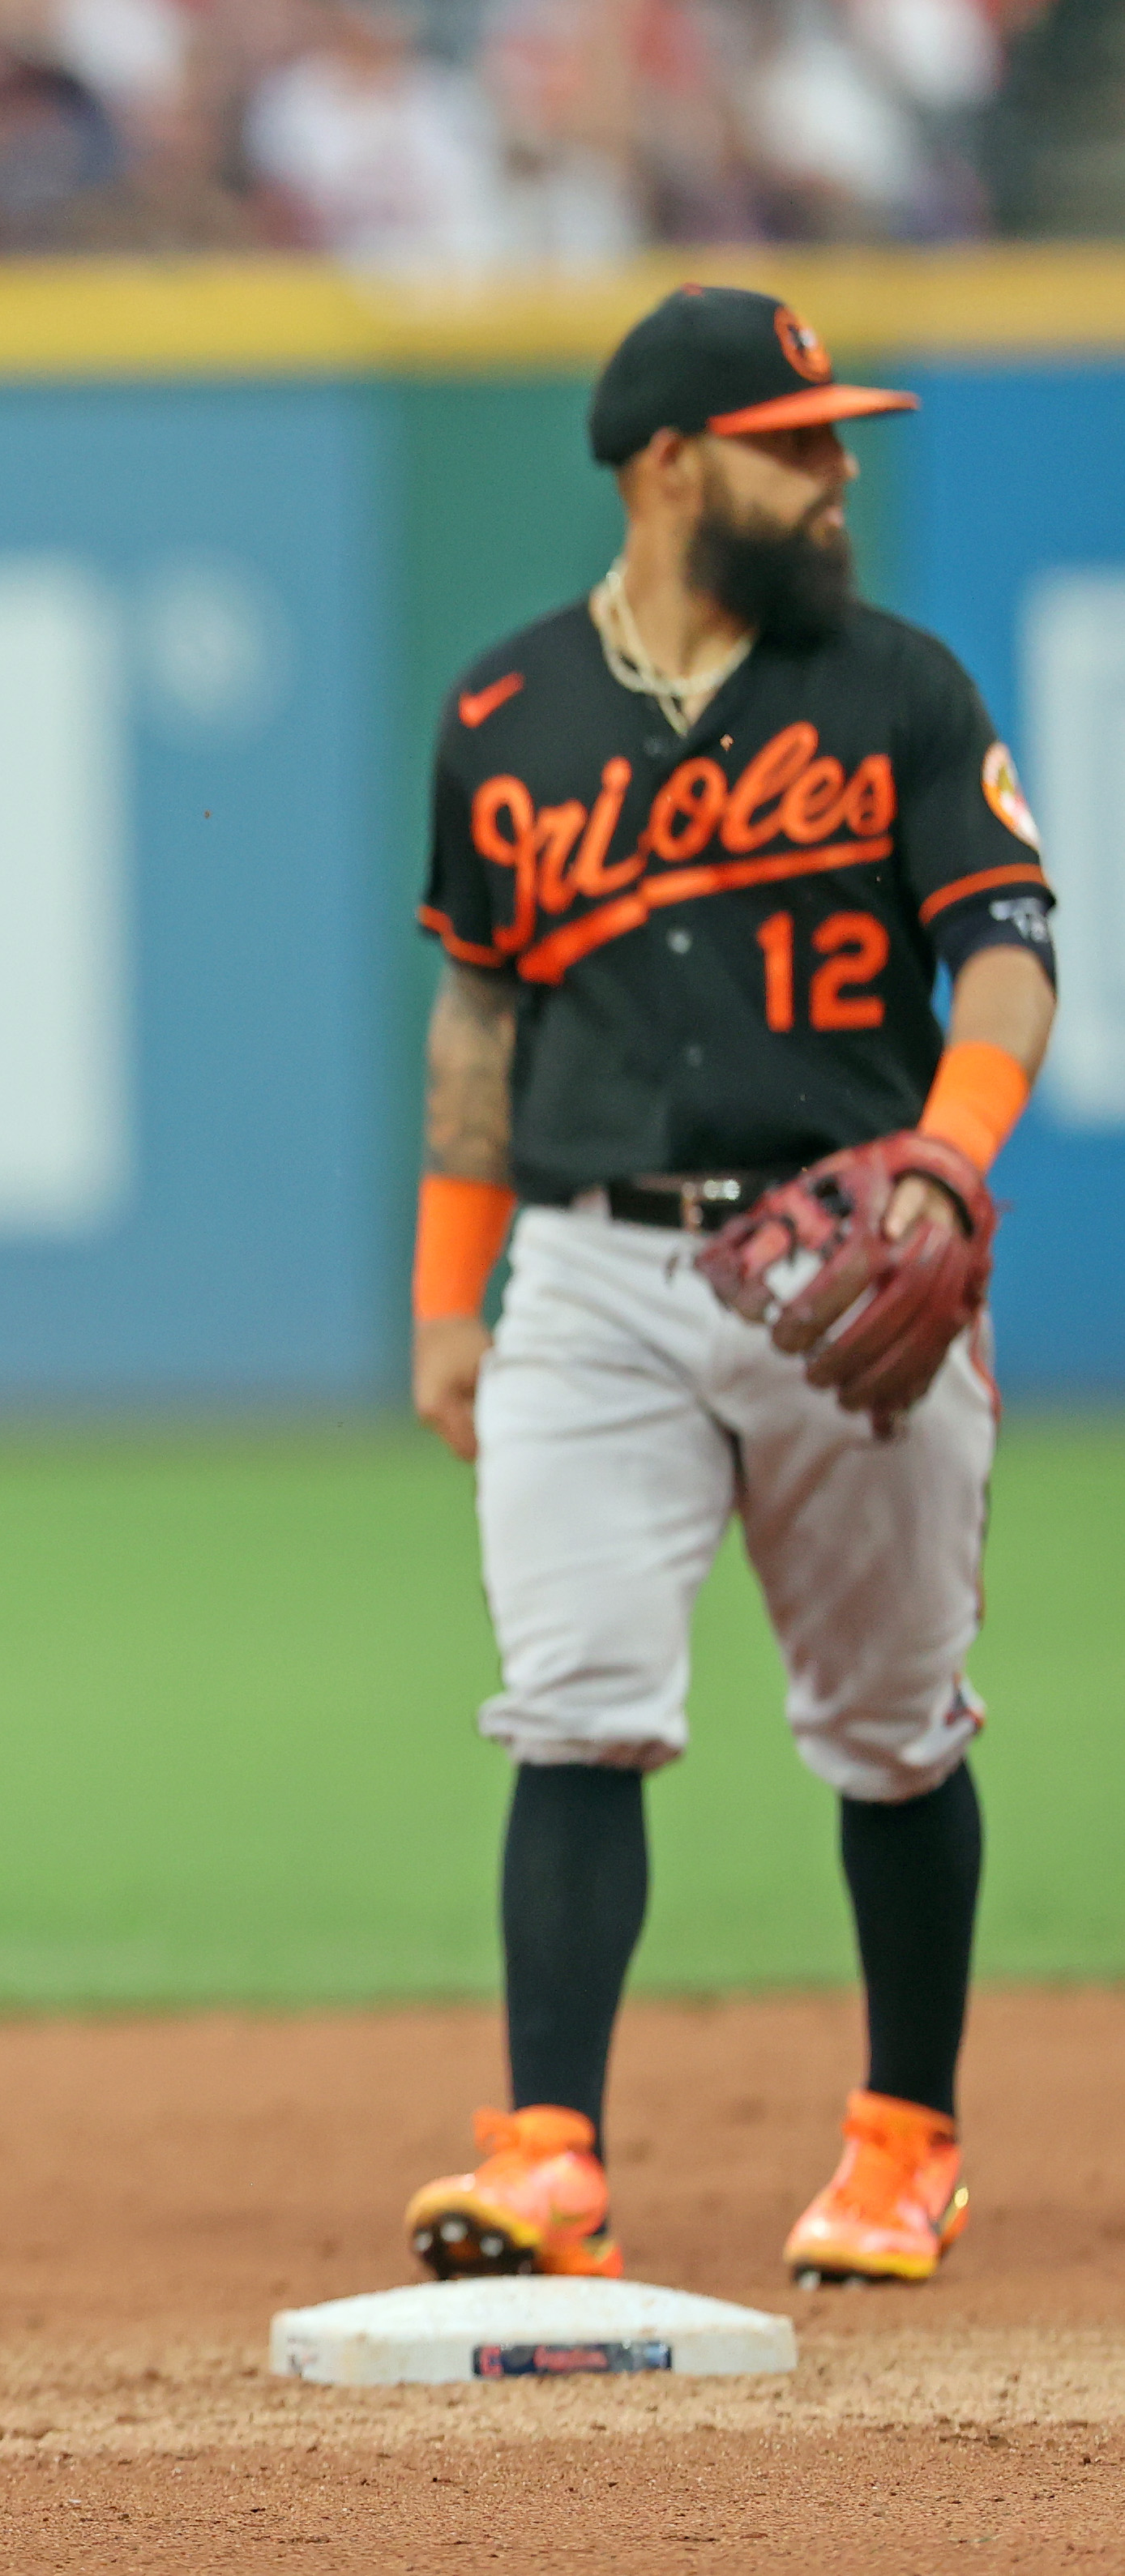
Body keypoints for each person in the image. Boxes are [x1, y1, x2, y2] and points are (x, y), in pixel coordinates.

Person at [400, 287, 1055, 2287]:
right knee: (572, 1703)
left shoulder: (897, 691)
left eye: (835, 437)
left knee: (886, 1728)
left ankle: (901, 2137)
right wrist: (446, 1296)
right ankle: (546, 2155)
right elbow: (477, 1021)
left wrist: (948, 1156)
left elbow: (1010, 954)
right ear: (667, 464)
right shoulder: (506, 718)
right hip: (587, 1276)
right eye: (797, 441)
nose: (834, 470)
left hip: (848, 1262)